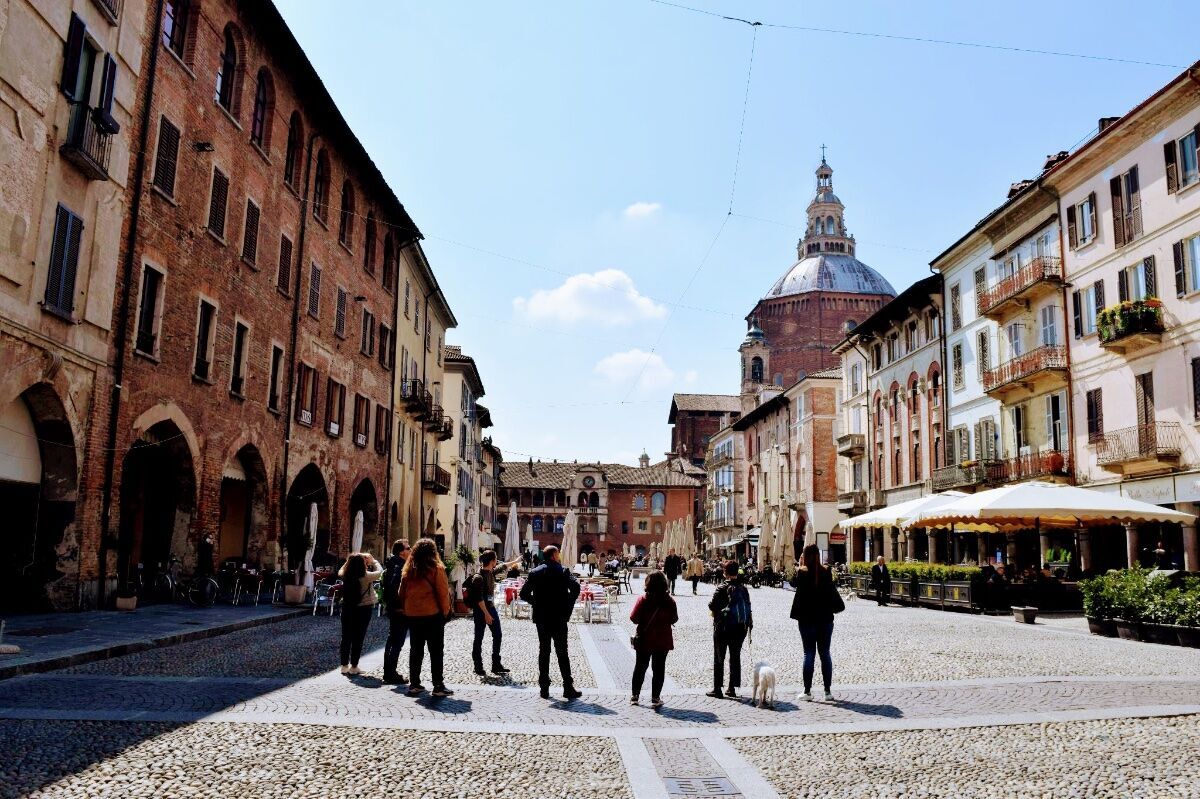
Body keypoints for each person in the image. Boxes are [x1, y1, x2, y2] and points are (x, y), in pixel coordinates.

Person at [519, 544, 582, 700]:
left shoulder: (534, 572)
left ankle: (544, 688)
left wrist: (536, 603)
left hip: (542, 617)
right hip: (559, 617)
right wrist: (567, 605)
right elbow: (576, 588)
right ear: (554, 555)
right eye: (558, 553)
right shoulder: (563, 571)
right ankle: (568, 687)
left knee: (544, 651)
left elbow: (523, 593)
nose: (559, 556)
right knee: (562, 653)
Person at [397, 538, 453, 698]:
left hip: (413, 615)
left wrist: (406, 608)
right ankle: (438, 685)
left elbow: (401, 593)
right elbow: (443, 594)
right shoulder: (436, 568)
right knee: (436, 651)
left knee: (416, 650)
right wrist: (445, 612)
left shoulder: (408, 569)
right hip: (432, 615)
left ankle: (414, 684)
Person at [790, 544, 839, 701]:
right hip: (825, 619)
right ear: (818, 555)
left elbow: (791, 582)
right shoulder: (826, 571)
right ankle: (827, 692)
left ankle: (807, 691)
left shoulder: (802, 573)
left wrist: (800, 564)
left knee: (808, 653)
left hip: (807, 620)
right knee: (825, 653)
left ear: (804, 555)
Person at [629, 570, 678, 707]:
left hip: (645, 639)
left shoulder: (643, 599)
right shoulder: (669, 601)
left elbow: (633, 618)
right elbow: (675, 618)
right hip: (662, 639)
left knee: (640, 667)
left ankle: (635, 696)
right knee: (659, 668)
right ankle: (655, 698)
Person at [707, 560, 752, 699]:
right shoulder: (743, 589)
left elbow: (712, 606)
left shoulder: (721, 588)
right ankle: (732, 688)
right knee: (735, 656)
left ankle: (717, 689)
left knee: (719, 656)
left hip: (723, 627)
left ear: (725, 572)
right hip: (740, 628)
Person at [465, 550, 510, 677]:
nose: (497, 561)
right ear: (492, 561)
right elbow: (479, 599)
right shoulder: (478, 577)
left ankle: (496, 664)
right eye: (496, 559)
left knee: (498, 635)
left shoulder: (490, 572)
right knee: (478, 638)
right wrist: (486, 614)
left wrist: (516, 561)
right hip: (481, 611)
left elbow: (503, 566)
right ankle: (478, 666)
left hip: (490, 608)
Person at [337, 552, 383, 675]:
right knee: (358, 637)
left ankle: (344, 666)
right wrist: (373, 561)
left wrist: (350, 560)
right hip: (364, 608)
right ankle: (354, 667)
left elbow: (341, 569)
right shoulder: (366, 576)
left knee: (346, 637)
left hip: (347, 607)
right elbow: (380, 572)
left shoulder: (345, 574)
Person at [381, 540, 410, 684]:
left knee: (391, 639)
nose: (410, 550)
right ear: (401, 552)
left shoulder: (392, 564)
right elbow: (394, 587)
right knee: (397, 641)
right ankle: (391, 673)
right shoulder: (400, 565)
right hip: (399, 609)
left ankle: (388, 672)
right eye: (408, 548)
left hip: (393, 608)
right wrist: (400, 606)